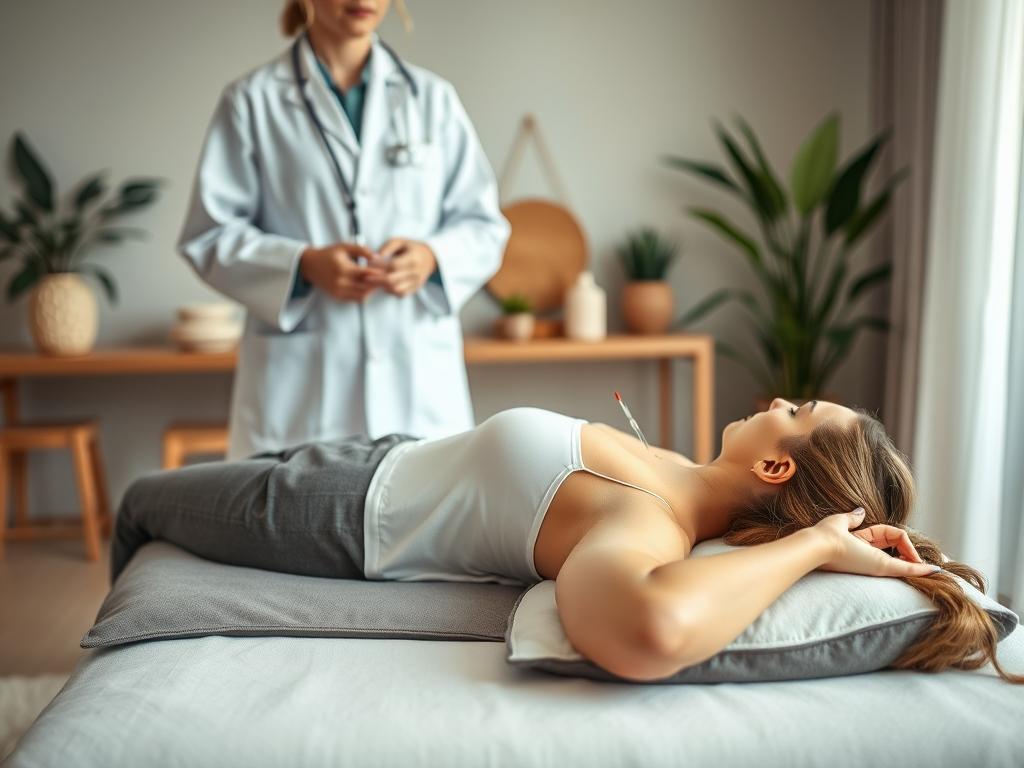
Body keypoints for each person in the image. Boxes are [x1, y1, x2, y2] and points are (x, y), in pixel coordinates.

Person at [111, 399, 1023, 684]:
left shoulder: (646, 522)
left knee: (141, 502)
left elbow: (648, 633)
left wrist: (814, 547)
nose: (775, 401)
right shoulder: (677, 478)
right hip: (376, 454)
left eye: (794, 411)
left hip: (333, 510)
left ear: (779, 471)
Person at [177, 0, 510, 459]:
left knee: (424, 519)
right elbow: (209, 235)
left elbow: (484, 225)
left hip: (417, 382)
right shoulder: (252, 101)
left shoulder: (431, 99)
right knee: (299, 522)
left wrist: (431, 258)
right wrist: (303, 265)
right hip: (299, 395)